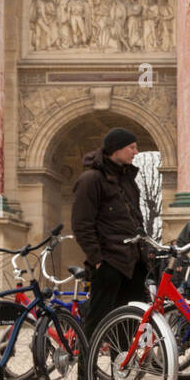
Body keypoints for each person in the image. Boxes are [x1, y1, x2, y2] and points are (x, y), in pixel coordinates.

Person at [71, 127, 149, 348]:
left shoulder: (128, 179)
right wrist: (97, 258)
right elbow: (82, 224)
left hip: (133, 262)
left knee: (128, 323)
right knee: (96, 322)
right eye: (131, 147)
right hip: (108, 262)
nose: (136, 151)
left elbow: (136, 218)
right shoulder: (90, 179)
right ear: (116, 148)